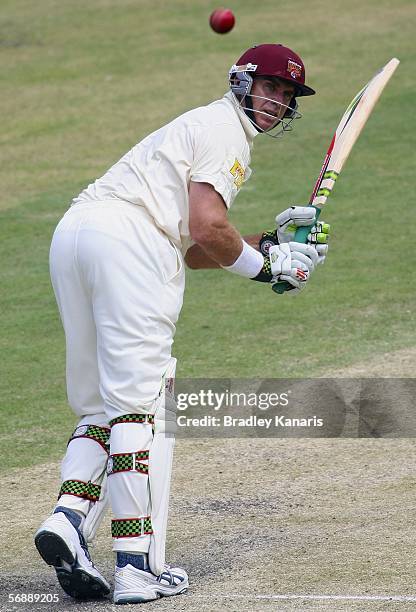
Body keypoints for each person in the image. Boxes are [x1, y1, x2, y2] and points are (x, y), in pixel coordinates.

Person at [34, 43, 329, 604]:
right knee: (137, 406)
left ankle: (69, 518)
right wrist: (269, 270)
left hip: (76, 234)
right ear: (241, 82)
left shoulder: (196, 125)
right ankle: (134, 565)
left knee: (100, 403)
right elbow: (207, 226)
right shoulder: (227, 134)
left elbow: (198, 246)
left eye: (287, 95)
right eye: (269, 88)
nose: (276, 102)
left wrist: (265, 244)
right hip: (132, 245)